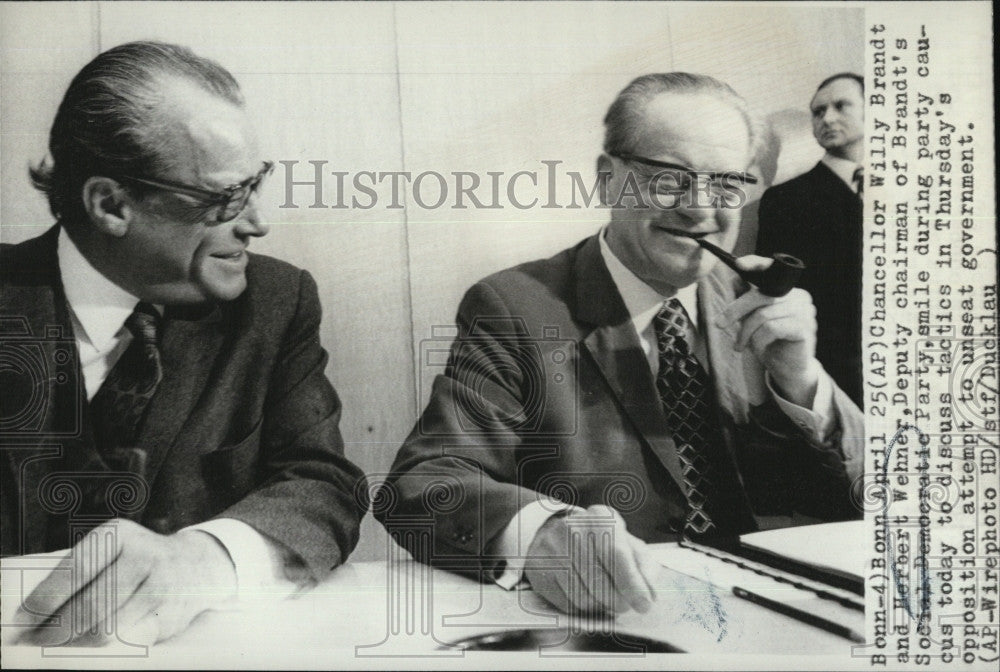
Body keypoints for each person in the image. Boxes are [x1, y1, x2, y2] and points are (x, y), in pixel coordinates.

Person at [375, 73, 863, 617]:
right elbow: (422, 486)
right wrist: (541, 533)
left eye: (727, 182)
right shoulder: (514, 307)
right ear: (608, 181)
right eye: (671, 178)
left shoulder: (758, 302)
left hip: (758, 613)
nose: (701, 208)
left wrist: (803, 383)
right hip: (607, 618)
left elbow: (878, 494)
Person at [0, 41, 368, 645]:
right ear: (111, 205)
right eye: (224, 198)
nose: (256, 222)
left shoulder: (276, 303)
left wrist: (206, 560)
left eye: (257, 184)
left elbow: (325, 484)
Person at [756, 73, 864, 407]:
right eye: (818, 112)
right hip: (835, 382)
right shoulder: (786, 200)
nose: (827, 118)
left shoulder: (920, 189)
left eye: (840, 106)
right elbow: (774, 299)